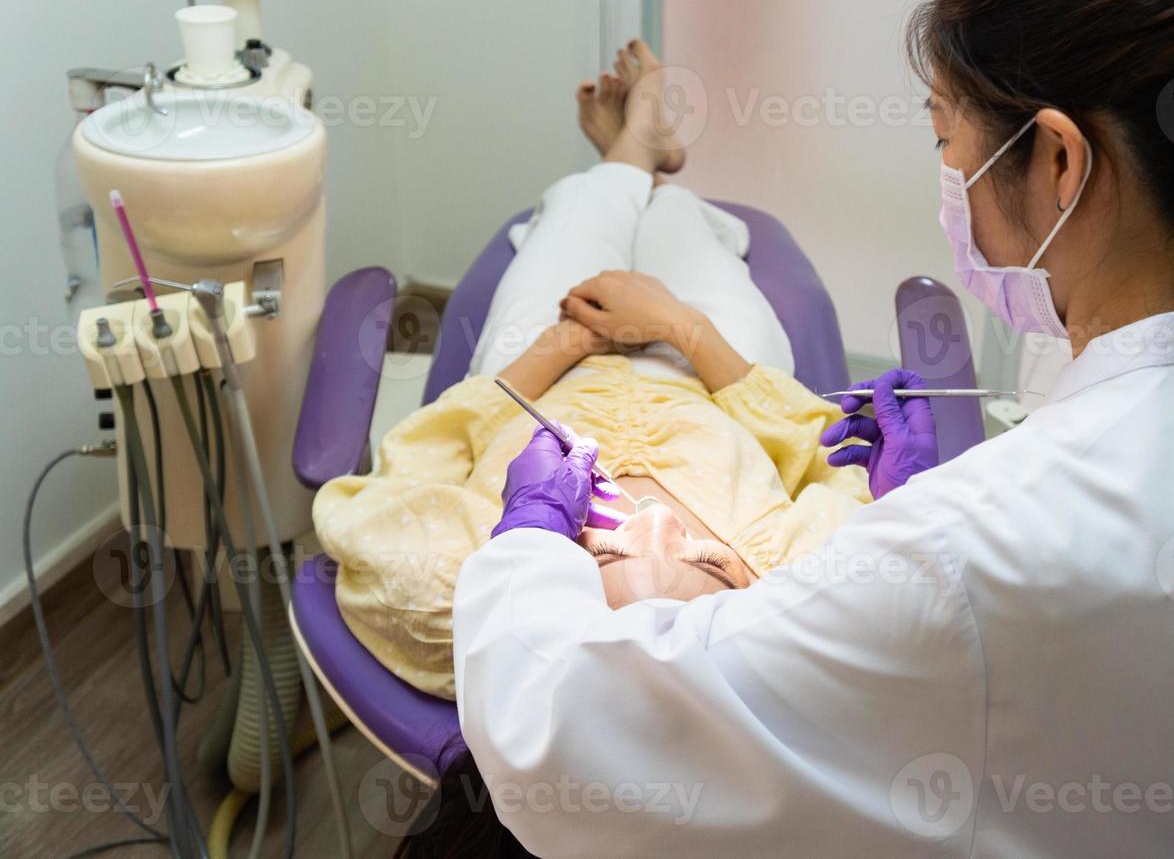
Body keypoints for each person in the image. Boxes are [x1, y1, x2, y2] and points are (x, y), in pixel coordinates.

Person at [446, 0, 1174, 857]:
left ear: (1059, 160)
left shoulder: (969, 554)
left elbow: (571, 734)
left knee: (610, 242)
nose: (947, 178)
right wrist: (923, 517)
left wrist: (531, 539)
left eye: (944, 136)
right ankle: (631, 163)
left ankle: (626, 164)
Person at [313, 42, 880, 700]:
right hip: (710, 379)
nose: (657, 522)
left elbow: (405, 469)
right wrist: (679, 326)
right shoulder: (801, 578)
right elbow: (819, 447)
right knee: (680, 225)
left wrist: (566, 343)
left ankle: (630, 155)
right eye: (710, 562)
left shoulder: (463, 596)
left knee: (580, 209)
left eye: (605, 552)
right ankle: (652, 170)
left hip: (542, 371)